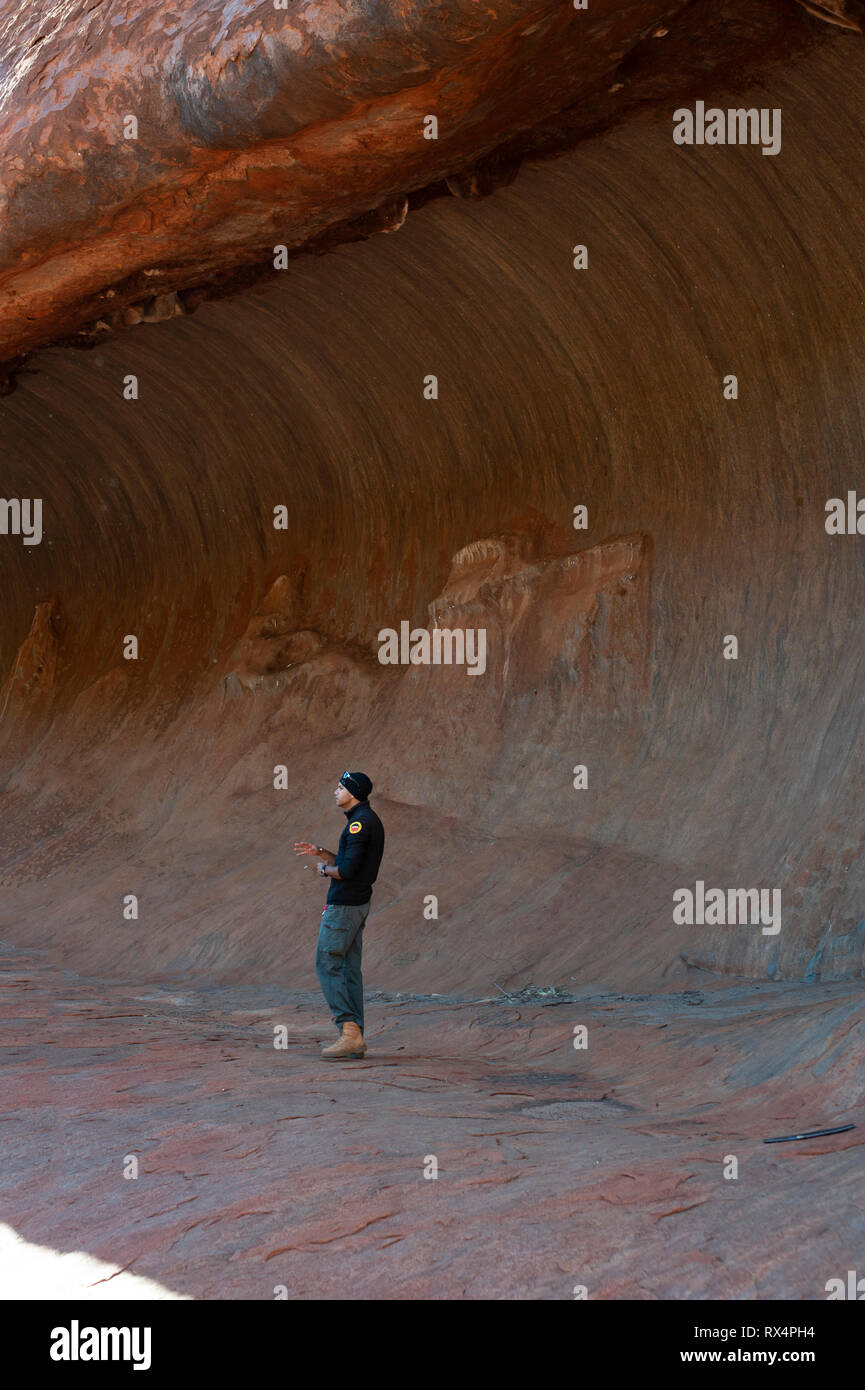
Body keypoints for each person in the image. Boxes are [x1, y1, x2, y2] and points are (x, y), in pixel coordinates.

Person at [294, 772, 385, 1060]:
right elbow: (346, 862)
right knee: (348, 969)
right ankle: (353, 1037)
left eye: (341, 787)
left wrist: (324, 871)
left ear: (353, 792)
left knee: (326, 962)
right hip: (356, 903)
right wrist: (321, 853)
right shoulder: (364, 821)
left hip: (344, 905)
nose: (336, 791)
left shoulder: (359, 824)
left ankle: (348, 1031)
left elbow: (345, 872)